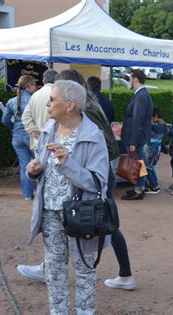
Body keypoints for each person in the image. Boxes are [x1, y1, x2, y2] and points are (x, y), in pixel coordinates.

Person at [17, 69, 137, 291]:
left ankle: (123, 273)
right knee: (101, 219)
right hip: (102, 166)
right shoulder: (90, 105)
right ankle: (122, 273)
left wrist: (68, 161)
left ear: (70, 99)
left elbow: (92, 145)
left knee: (100, 219)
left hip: (98, 169)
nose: (51, 99)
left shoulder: (84, 113)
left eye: (56, 94)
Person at [26, 80, 109, 314]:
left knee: (84, 269)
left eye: (52, 100)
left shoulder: (93, 136)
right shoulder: (48, 129)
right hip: (50, 214)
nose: (48, 104)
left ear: (70, 105)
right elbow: (41, 166)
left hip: (81, 215)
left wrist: (68, 164)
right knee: (54, 271)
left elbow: (98, 182)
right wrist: (34, 170)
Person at [1, 75, 38, 200]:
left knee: (24, 165)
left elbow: (4, 120)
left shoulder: (12, 101)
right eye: (34, 84)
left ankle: (27, 195)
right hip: (31, 135)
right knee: (37, 164)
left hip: (17, 137)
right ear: (29, 86)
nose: (36, 87)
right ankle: (38, 193)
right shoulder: (34, 100)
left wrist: (14, 127)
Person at [120, 69, 154, 201]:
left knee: (139, 163)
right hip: (138, 136)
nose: (129, 81)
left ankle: (138, 190)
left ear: (135, 79)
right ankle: (138, 188)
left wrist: (133, 141)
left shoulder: (141, 96)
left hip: (137, 138)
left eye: (130, 79)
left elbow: (137, 120)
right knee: (140, 163)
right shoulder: (141, 94)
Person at [22, 69, 58, 151]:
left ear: (43, 81)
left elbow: (25, 117)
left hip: (38, 141)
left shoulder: (35, 95)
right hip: (55, 142)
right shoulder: (60, 94)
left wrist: (33, 130)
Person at [142, 107, 168, 194]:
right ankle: (154, 185)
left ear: (155, 116)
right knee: (150, 167)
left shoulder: (156, 126)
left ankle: (154, 186)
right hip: (156, 148)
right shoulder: (162, 125)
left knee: (147, 167)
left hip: (151, 148)